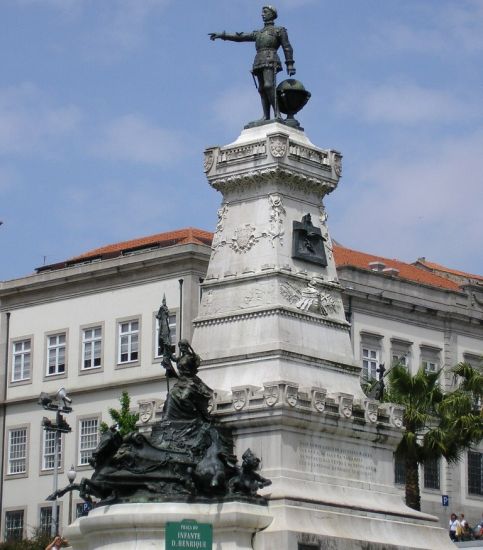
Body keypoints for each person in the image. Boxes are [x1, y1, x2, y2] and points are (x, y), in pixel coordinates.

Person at [210, 5, 295, 121]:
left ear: (272, 14)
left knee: (269, 85)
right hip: (259, 59)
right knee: (261, 89)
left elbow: (287, 47)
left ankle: (277, 113)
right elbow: (241, 37)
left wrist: (289, 64)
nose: (262, 14)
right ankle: (266, 116)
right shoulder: (259, 33)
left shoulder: (279, 30)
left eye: (265, 12)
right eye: (262, 12)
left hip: (270, 58)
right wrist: (223, 35)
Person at [163, 340, 212, 421]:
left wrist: (192, 353)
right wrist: (166, 350)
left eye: (183, 346)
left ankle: (195, 412)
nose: (182, 348)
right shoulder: (180, 358)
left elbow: (196, 362)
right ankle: (171, 416)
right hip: (181, 382)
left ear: (187, 347)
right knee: (171, 394)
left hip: (190, 381)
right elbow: (172, 358)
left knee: (184, 397)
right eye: (180, 347)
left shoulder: (191, 357)